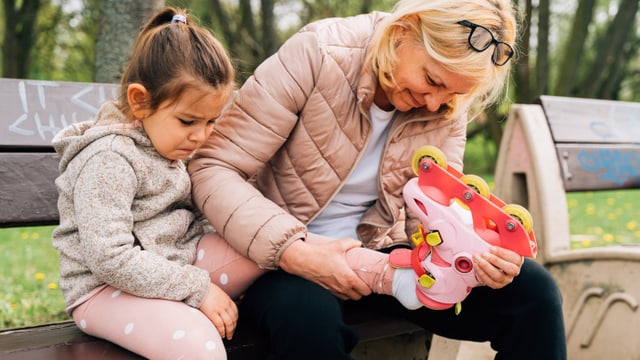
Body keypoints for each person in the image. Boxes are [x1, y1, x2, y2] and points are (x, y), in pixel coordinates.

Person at [189, 0, 567, 358]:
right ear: (403, 32)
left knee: (532, 292)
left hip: (386, 258)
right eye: (432, 80)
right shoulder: (319, 53)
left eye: (453, 93)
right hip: (278, 256)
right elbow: (213, 167)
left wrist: (478, 255)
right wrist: (296, 252)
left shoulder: (446, 107)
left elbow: (432, 219)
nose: (435, 104)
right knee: (308, 324)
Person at [51, 7, 265, 359]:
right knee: (198, 346)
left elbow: (198, 219)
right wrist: (199, 289)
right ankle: (186, 317)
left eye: (211, 121)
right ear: (140, 101)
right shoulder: (108, 159)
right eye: (188, 121)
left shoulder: (172, 143)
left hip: (171, 264)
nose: (201, 135)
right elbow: (109, 259)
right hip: (104, 289)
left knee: (261, 242)